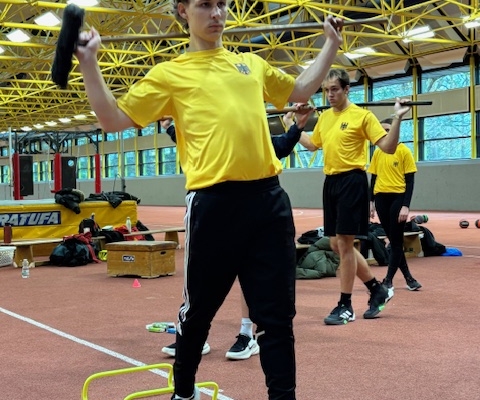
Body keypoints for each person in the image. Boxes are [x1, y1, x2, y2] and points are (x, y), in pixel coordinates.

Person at [74, 0, 343, 398]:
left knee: (277, 318)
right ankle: (183, 392)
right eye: (205, 4)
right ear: (183, 10)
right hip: (214, 205)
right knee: (199, 312)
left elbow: (300, 89)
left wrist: (330, 44)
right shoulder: (170, 74)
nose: (217, 13)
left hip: (268, 202)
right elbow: (112, 119)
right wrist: (88, 63)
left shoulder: (251, 64)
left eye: (222, 4)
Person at [159, 111, 311, 361]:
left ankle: (246, 334)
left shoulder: (250, 124)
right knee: (200, 280)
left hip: (253, 210)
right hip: (213, 210)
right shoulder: (210, 121)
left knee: (249, 278)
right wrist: (170, 127)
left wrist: (297, 127)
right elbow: (194, 143)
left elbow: (278, 147)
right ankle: (195, 336)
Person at [299, 68, 412, 325]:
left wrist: (397, 118)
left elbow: (388, 147)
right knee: (335, 244)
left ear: (347, 89)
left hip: (352, 182)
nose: (329, 95)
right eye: (326, 91)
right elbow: (312, 145)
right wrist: (293, 126)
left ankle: (345, 305)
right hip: (331, 183)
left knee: (345, 243)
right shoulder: (325, 118)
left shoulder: (362, 116)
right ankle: (376, 288)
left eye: (334, 90)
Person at [368, 118, 422, 291]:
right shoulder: (378, 152)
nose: (384, 133)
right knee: (394, 240)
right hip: (381, 199)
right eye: (382, 130)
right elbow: (373, 178)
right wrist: (371, 202)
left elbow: (410, 181)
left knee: (396, 241)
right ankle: (409, 279)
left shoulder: (404, 151)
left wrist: (406, 206)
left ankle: (388, 280)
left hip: (398, 198)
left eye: (388, 130)